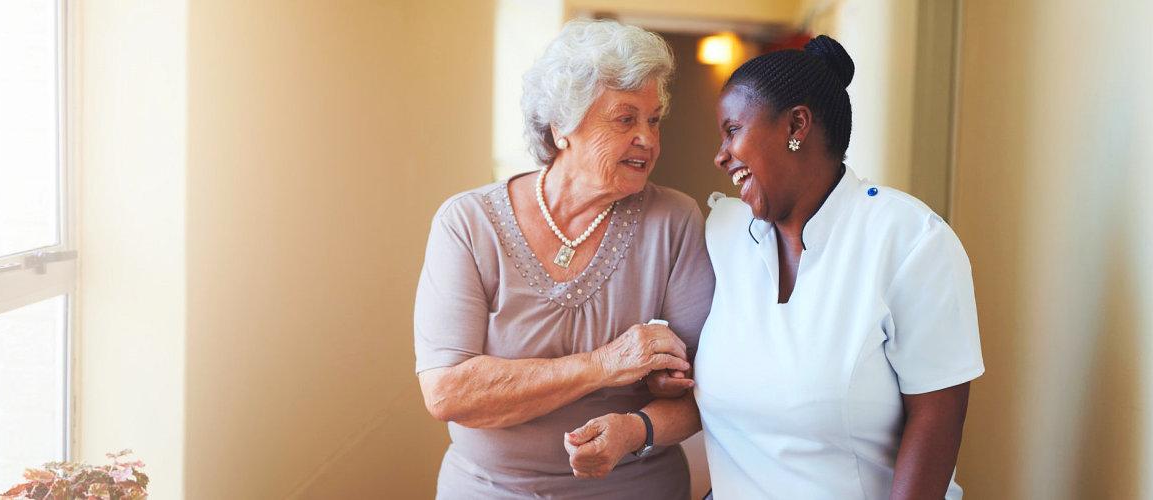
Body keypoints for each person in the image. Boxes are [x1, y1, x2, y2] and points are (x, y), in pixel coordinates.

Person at [412, 18, 711, 499]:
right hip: (488, 489)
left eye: (653, 119)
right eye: (625, 118)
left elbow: (707, 391)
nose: (648, 139)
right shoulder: (468, 223)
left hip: (631, 489)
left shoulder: (674, 221)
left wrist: (636, 428)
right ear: (562, 126)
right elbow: (448, 391)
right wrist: (604, 365)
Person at [694, 35, 985, 499]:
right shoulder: (722, 235)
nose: (721, 154)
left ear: (797, 124)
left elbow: (938, 415)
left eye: (733, 130)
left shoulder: (911, 240)